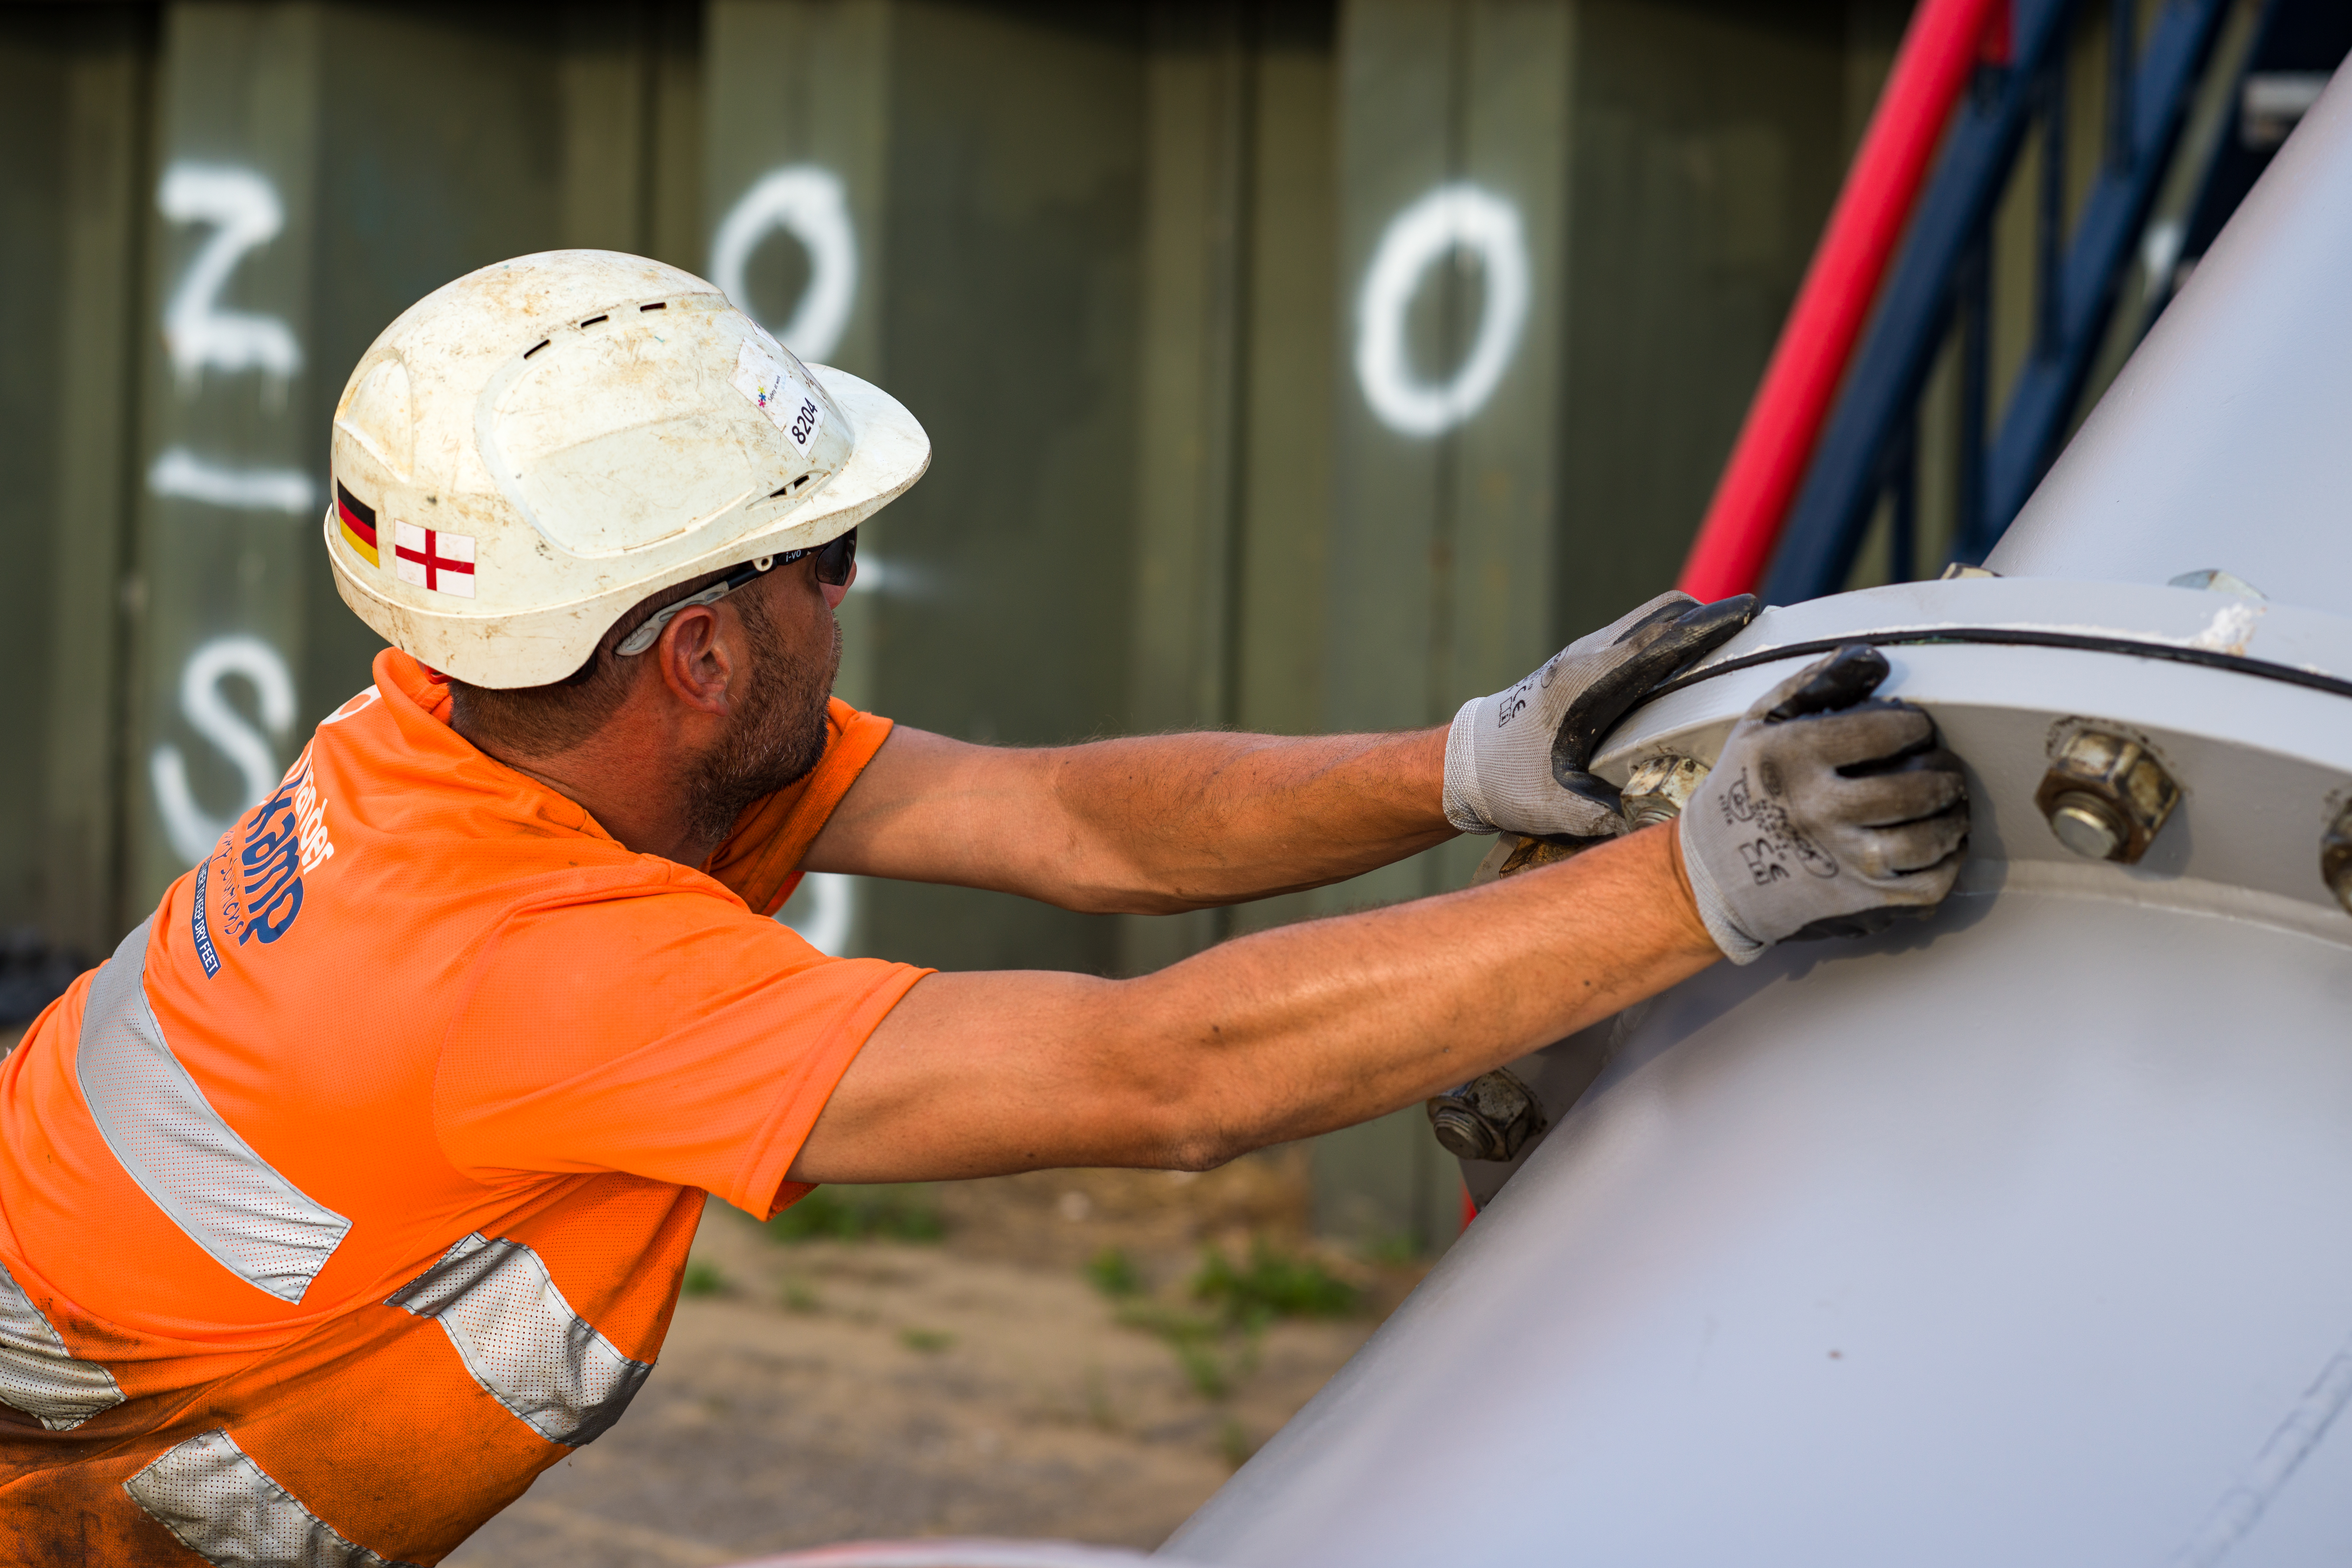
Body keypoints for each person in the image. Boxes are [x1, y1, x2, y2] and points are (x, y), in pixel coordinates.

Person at [0, 251, 1968, 1564]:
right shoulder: (530, 967)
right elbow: (1155, 1072)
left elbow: (1069, 823)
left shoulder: (490, 727)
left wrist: (1460, 762)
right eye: (819, 553)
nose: (844, 595)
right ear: (693, 651)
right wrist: (1701, 885)